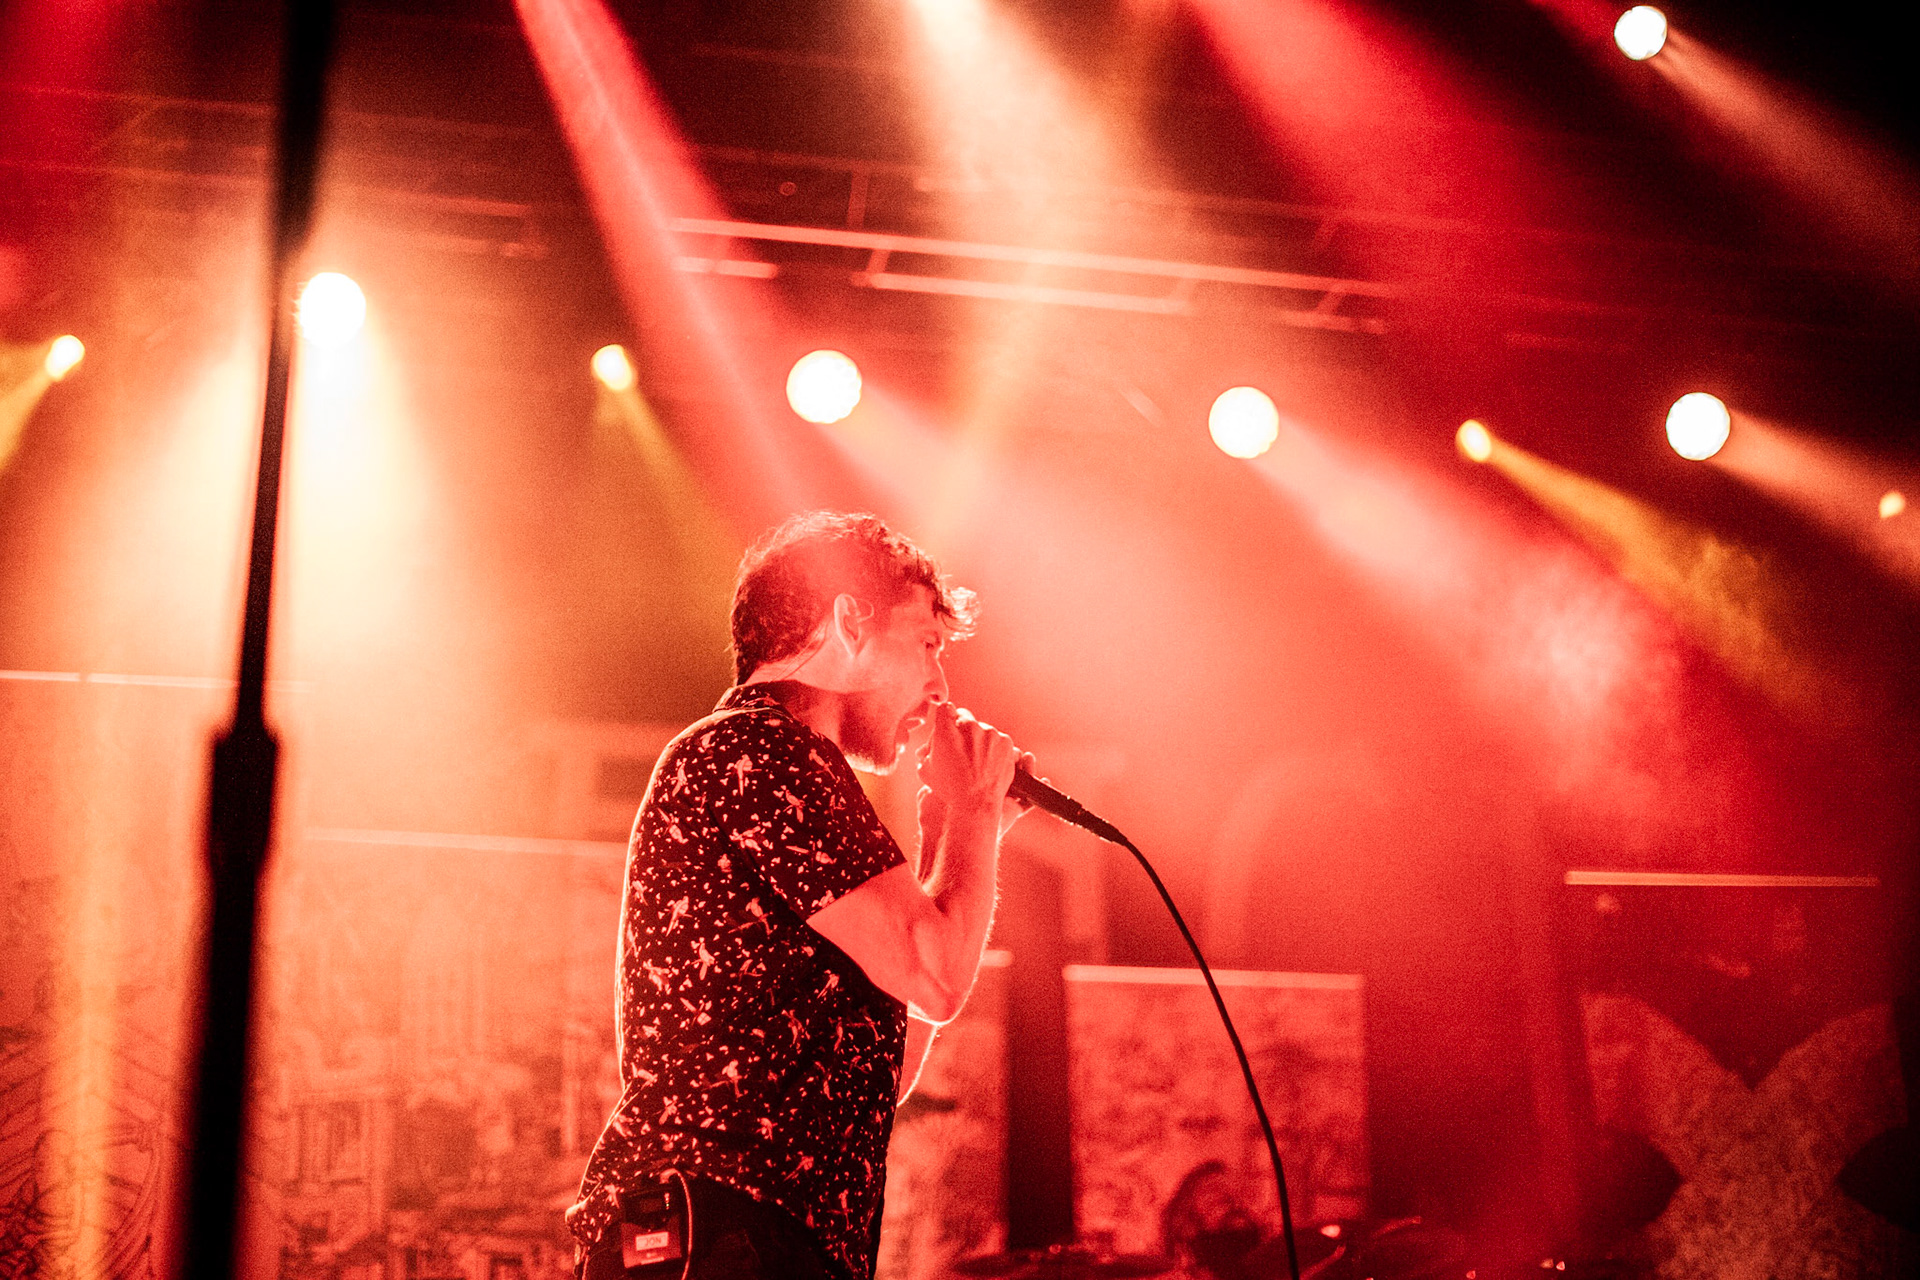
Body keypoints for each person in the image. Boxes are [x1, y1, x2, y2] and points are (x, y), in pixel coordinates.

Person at [566, 511, 1028, 1280]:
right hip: (720, 1226)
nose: (940, 685)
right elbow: (938, 975)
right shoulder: (757, 750)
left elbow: (882, 1071)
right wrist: (975, 813)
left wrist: (958, 832)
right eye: (926, 644)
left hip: (742, 1233)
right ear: (850, 621)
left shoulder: (773, 764)